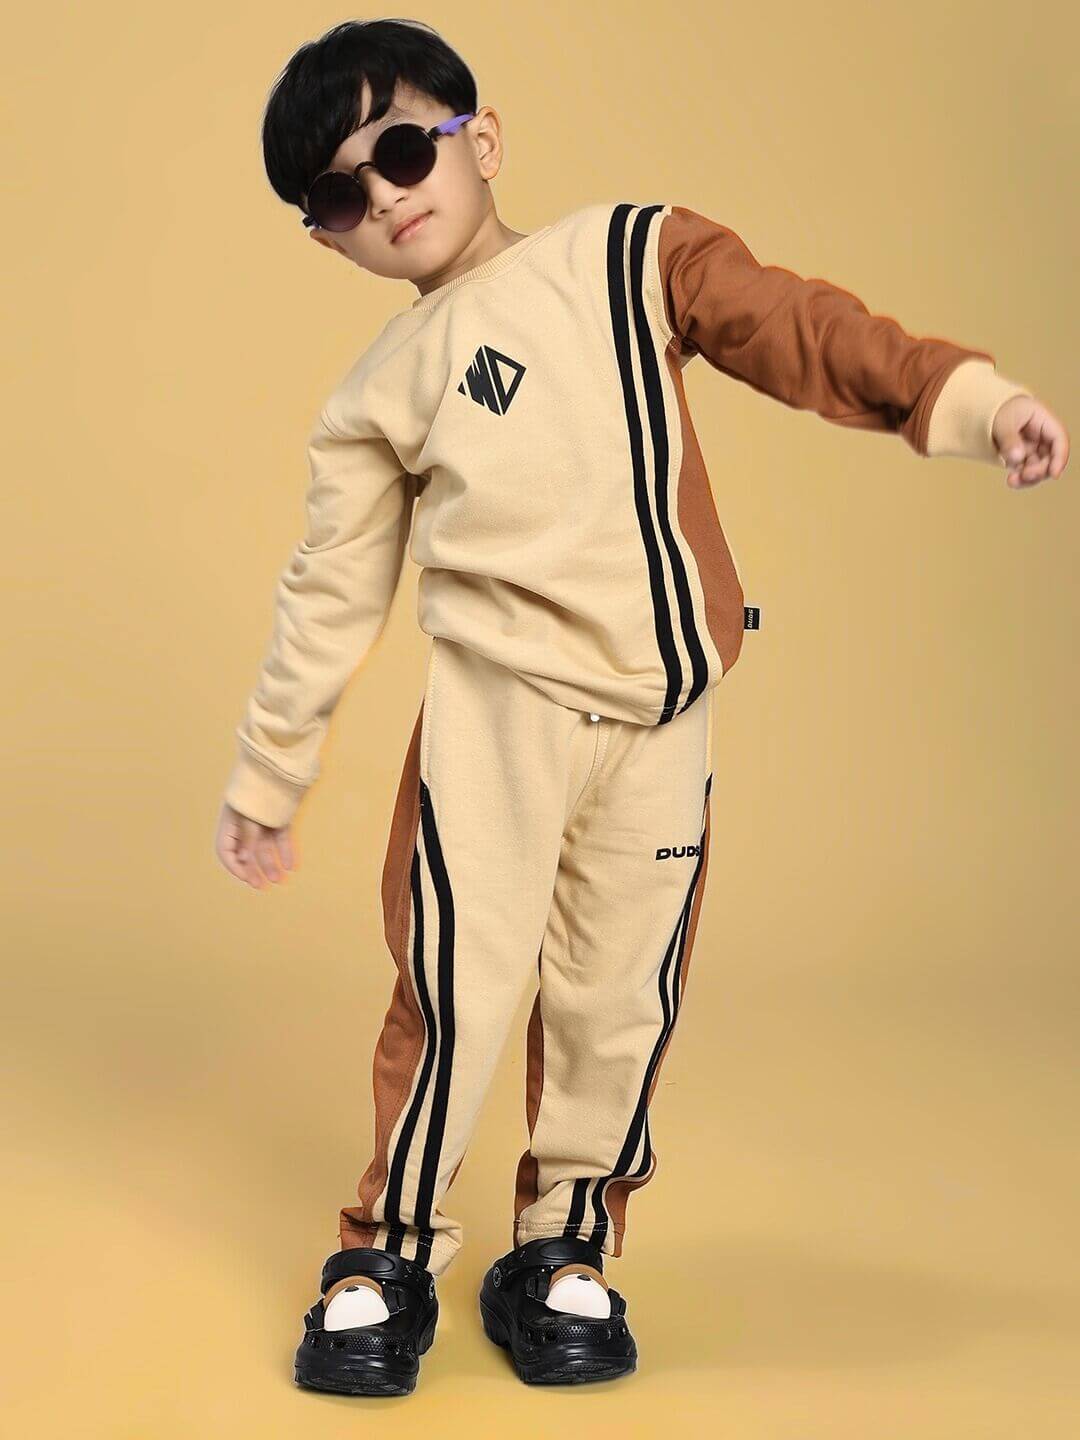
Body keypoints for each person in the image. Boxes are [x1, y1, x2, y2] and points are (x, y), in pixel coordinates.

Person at [213, 18, 1069, 1397]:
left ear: (478, 138)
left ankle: (564, 1241)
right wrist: (269, 776)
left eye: (399, 149)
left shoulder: (626, 255)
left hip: (661, 718)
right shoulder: (379, 392)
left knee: (621, 993)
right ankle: (389, 1251)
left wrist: (962, 399)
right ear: (328, 240)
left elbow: (796, 326)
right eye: (337, 196)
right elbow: (331, 589)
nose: (383, 197)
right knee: (459, 986)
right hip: (497, 717)